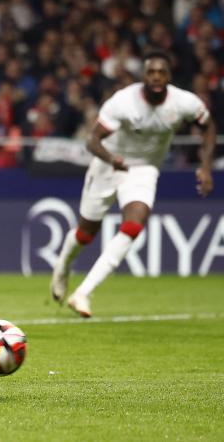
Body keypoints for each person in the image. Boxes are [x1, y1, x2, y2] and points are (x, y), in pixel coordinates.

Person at [50, 50, 216, 317]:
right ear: (144, 76)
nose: (156, 77)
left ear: (169, 76)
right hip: (108, 164)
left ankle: (83, 293)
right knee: (85, 233)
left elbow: (208, 127)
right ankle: (62, 268)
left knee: (134, 225)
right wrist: (111, 159)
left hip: (143, 169)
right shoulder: (124, 102)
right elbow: (93, 141)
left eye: (162, 72)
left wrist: (205, 166)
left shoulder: (184, 102)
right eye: (151, 72)